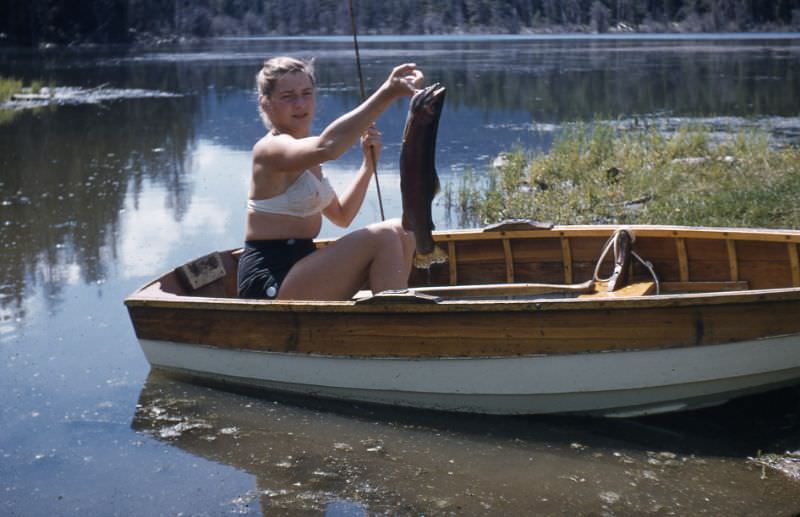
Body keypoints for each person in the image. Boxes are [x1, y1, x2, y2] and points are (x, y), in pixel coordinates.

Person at [237, 57, 423, 301]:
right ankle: (392, 327)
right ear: (266, 103)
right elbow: (328, 147)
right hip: (271, 278)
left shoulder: (306, 155)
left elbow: (342, 216)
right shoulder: (271, 149)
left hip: (303, 267)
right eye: (288, 97)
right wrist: (387, 93)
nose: (300, 104)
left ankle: (394, 313)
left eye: (306, 93)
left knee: (403, 229)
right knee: (383, 236)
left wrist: (367, 167)